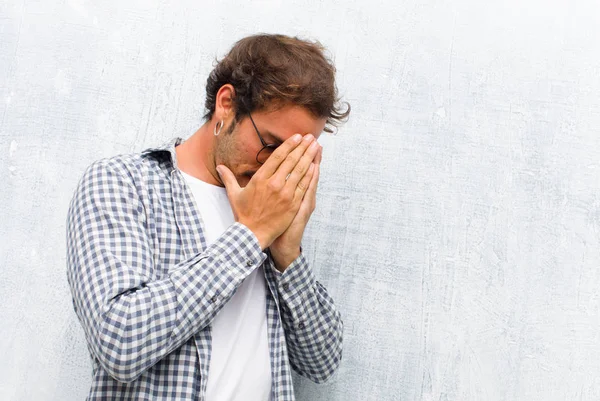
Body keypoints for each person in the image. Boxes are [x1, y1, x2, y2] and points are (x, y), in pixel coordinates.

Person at [66, 33, 350, 401]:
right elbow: (119, 342)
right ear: (226, 104)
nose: (278, 168)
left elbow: (322, 363)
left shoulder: (272, 210)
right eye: (272, 146)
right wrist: (250, 235)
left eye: (297, 156)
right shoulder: (122, 183)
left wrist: (287, 254)